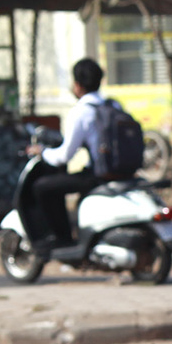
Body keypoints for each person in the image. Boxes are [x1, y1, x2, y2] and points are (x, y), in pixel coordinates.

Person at [25, 57, 134, 259]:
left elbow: (64, 156)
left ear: (77, 85)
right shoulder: (113, 105)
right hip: (122, 171)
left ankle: (63, 239)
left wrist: (42, 152)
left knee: (42, 187)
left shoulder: (82, 112)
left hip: (98, 175)